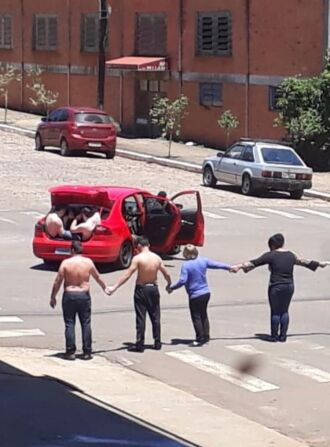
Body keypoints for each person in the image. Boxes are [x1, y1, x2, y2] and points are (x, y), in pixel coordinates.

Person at [231, 233, 328, 342]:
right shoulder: (291, 255)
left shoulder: (271, 255)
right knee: (285, 311)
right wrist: (320, 264)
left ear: (272, 245)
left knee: (275, 311)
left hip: (276, 286)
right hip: (289, 286)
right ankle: (283, 336)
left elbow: (254, 262)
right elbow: (303, 262)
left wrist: (238, 267)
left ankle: (274, 336)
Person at [107, 236, 171, 352]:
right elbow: (166, 273)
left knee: (141, 316)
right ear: (149, 245)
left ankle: (140, 343)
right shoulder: (157, 258)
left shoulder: (138, 259)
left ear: (139, 246)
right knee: (155, 316)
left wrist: (115, 287)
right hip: (153, 288)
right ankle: (157, 342)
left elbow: (127, 274)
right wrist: (169, 284)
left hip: (141, 289)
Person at [49, 240, 109, 360]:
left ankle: (70, 352)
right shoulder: (88, 262)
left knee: (69, 323)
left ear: (72, 250)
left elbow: (58, 280)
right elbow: (97, 277)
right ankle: (87, 352)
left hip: (69, 295)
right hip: (83, 295)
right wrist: (105, 288)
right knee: (85, 323)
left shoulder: (66, 263)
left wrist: (53, 296)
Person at [167, 244, 232, 346]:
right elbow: (217, 265)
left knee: (196, 316)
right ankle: (206, 336)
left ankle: (199, 338)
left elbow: (183, 280)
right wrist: (229, 267)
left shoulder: (186, 265)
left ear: (186, 254)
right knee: (203, 315)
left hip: (195, 295)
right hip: (206, 293)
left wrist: (172, 288)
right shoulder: (203, 260)